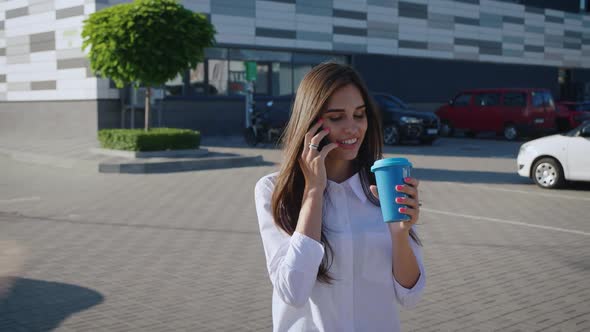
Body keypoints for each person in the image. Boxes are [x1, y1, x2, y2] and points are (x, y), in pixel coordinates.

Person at [254, 62, 425, 331]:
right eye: (336, 117)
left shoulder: (383, 185)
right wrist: (313, 191)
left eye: (359, 114)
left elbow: (410, 295)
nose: (353, 128)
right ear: (310, 123)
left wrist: (400, 234)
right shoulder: (274, 191)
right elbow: (293, 291)